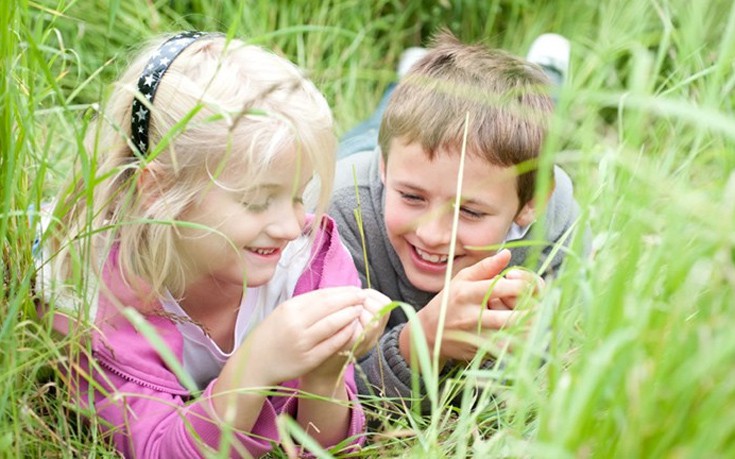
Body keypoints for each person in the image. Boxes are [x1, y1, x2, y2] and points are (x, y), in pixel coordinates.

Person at [38, 32, 390, 457]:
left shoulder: (307, 261)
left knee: (374, 137)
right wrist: (256, 364)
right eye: (257, 200)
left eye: (299, 195)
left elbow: (334, 448)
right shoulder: (95, 297)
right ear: (159, 191)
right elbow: (157, 449)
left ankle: (399, 83)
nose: (290, 225)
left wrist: (324, 375)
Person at [328, 31, 585, 404]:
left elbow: (554, 353)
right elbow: (331, 391)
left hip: (423, 163)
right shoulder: (341, 212)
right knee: (376, 126)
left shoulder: (556, 221)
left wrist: (533, 331)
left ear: (531, 203)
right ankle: (406, 77)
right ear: (385, 169)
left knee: (545, 110)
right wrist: (423, 342)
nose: (432, 235)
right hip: (368, 153)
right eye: (412, 197)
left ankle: (548, 73)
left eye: (470, 211)